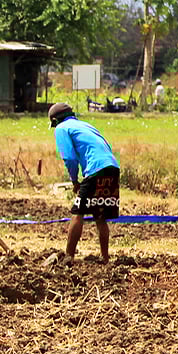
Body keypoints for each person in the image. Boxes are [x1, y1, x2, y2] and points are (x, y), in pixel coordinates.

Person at [49, 102, 120, 263]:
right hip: (112, 167)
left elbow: (69, 157)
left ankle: (69, 256)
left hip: (95, 168)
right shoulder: (85, 125)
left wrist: (74, 180)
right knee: (100, 214)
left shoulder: (61, 128)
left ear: (54, 121)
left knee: (77, 212)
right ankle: (105, 257)